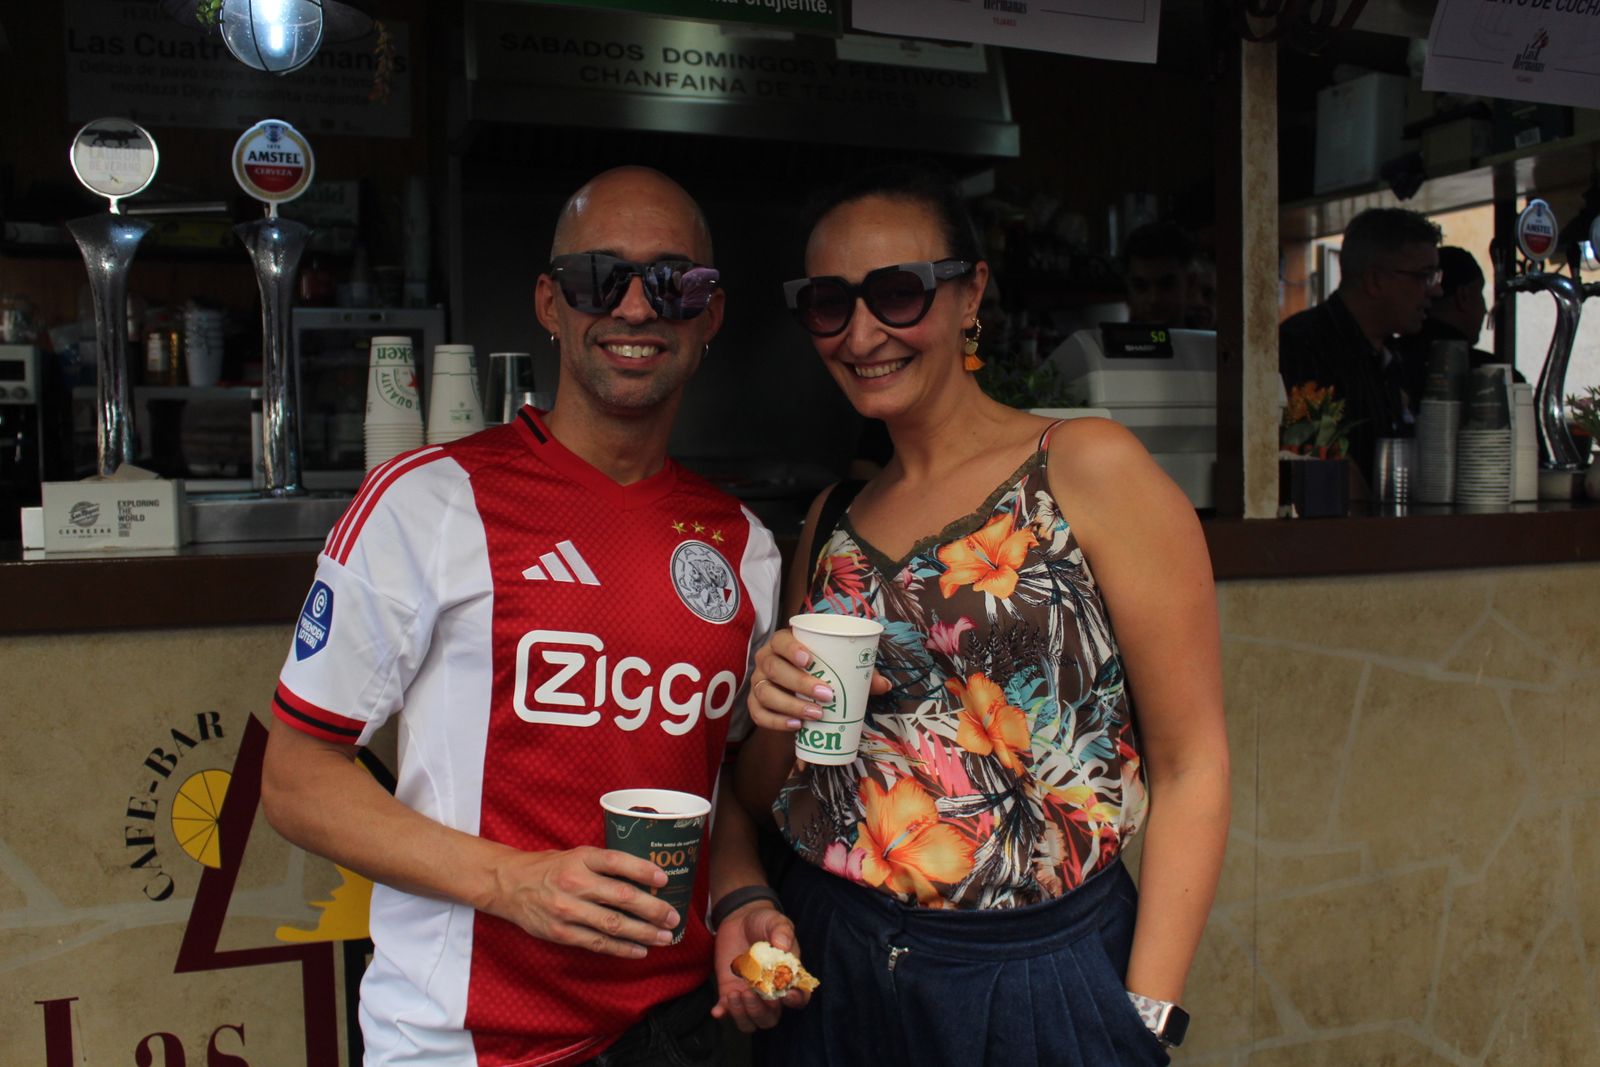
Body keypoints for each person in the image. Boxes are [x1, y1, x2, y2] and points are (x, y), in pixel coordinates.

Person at [260, 166, 808, 1067]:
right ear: (551, 304)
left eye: (677, 282)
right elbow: (295, 776)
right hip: (458, 1039)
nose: (637, 308)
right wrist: (514, 881)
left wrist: (739, 898)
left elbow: (715, 782)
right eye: (602, 278)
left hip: (675, 1033)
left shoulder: (741, 543)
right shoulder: (428, 500)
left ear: (710, 316)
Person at [735, 165, 1230, 1065]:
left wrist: (1146, 1015)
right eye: (827, 304)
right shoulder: (831, 519)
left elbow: (1192, 760)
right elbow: (771, 793)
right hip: (835, 952)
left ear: (970, 296)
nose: (863, 332)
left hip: (1036, 965)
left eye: (898, 292)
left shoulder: (1084, 467)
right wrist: (771, 704)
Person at [1279, 207, 1442, 487]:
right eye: (1424, 276)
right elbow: (1316, 463)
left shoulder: (1390, 356)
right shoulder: (1304, 345)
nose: (1435, 290)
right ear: (1375, 281)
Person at [1390, 245, 1522, 415]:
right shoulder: (1492, 375)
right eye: (1480, 293)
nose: (1484, 309)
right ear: (1463, 296)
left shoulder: (1388, 360)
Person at [1122, 220, 1200, 327]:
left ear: (1190, 284)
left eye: (1166, 284)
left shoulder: (1213, 341)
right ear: (1128, 290)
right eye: (1140, 286)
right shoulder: (1103, 343)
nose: (1154, 299)